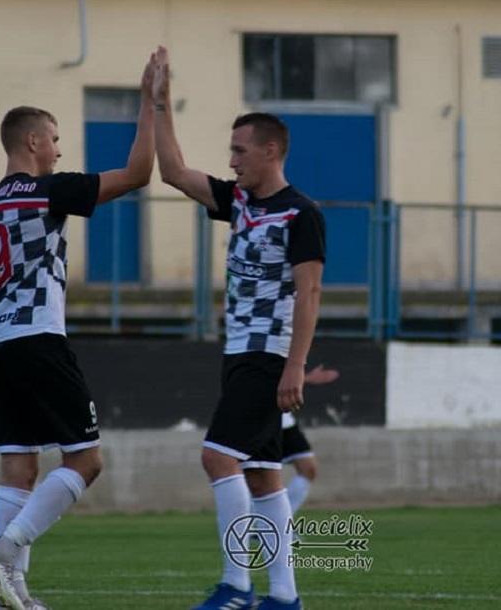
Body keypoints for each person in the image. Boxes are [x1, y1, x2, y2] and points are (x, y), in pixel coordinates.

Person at [0, 57, 156, 610]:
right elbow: (138, 174)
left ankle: (11, 597)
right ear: (32, 141)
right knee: (86, 461)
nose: (58, 151)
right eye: (53, 139)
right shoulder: (47, 191)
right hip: (38, 339)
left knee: (18, 468)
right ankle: (3, 552)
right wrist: (150, 104)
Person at [152, 46, 325, 610]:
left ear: (271, 151)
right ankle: (284, 596)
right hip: (239, 353)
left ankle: (237, 586)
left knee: (217, 457)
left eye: (239, 150)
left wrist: (295, 364)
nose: (231, 161)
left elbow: (310, 292)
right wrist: (159, 103)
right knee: (264, 475)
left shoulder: (301, 213)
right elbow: (173, 171)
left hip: (269, 354)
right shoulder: (241, 203)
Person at [281, 364, 339, 513]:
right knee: (261, 477)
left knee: (308, 469)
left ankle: (280, 519)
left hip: (284, 421)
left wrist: (304, 378)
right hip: (261, 421)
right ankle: (255, 521)